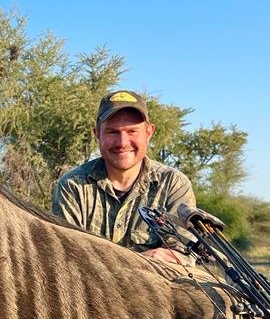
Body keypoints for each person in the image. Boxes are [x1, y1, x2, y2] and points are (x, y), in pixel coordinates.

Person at [52, 90, 196, 266]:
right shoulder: (73, 186)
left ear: (149, 132)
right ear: (97, 133)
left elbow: (184, 254)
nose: (122, 142)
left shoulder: (173, 184)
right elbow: (67, 254)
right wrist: (139, 262)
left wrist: (171, 257)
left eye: (132, 131)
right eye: (112, 132)